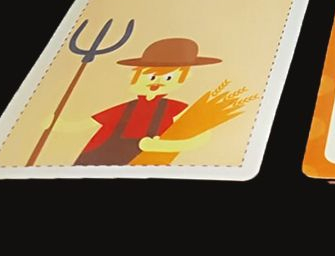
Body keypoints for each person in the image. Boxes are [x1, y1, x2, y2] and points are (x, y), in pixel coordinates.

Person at [71, 37, 222, 166]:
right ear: (134, 76)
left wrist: (165, 146)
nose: (156, 82)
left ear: (185, 78)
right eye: (151, 76)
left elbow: (198, 132)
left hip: (145, 162)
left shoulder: (173, 107)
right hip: (101, 158)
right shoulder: (127, 107)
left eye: (168, 77)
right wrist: (60, 124)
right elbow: (86, 124)